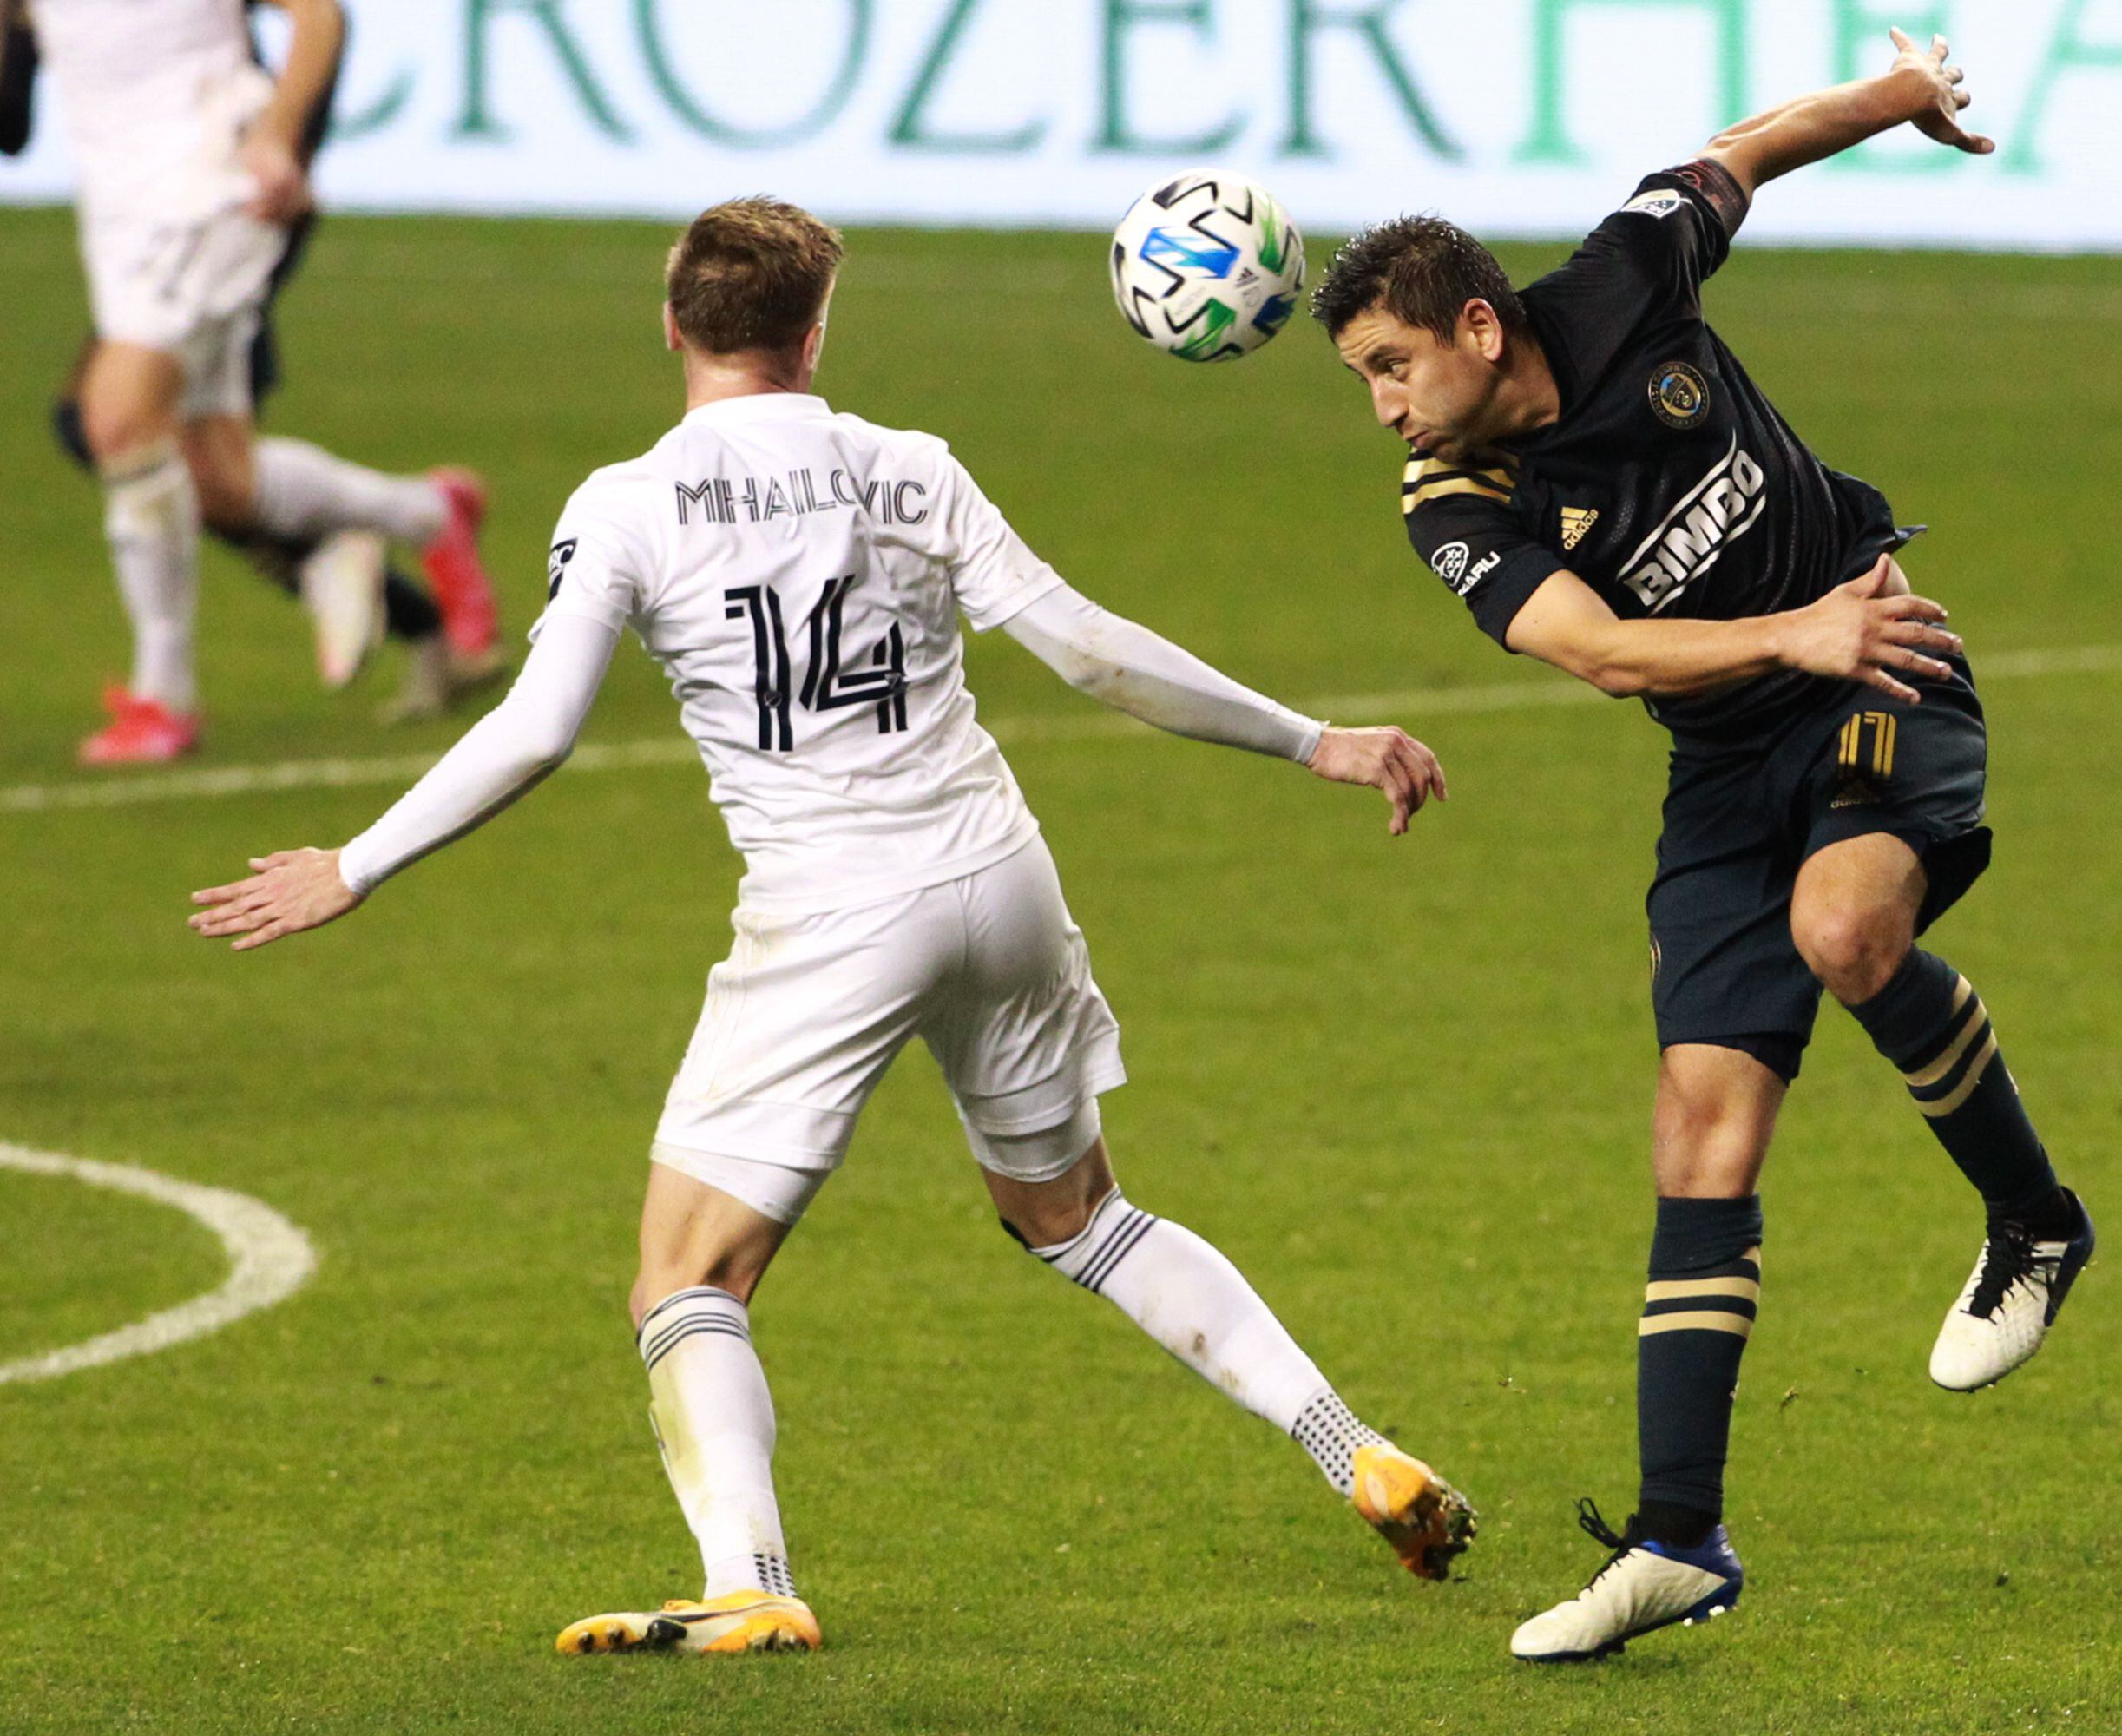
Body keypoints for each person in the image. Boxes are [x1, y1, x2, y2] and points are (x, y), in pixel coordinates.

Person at [189, 197, 1470, 1655]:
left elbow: (536, 733)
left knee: (688, 1275)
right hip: (998, 878)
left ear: (672, 324)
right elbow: (1090, 651)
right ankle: (1347, 1442)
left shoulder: (627, 504)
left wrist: (357, 863)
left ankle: (747, 1576)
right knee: (1082, 1216)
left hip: (831, 911)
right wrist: (1313, 741)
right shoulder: (906, 469)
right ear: (815, 338)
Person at [1311, 30, 2095, 1661]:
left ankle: (2035, 1221)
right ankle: (1680, 1538)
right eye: (1363, 385)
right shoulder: (1452, 498)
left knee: (1845, 929)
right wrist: (1779, 639)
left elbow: (1742, 148)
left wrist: (1902, 97)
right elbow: (1596, 649)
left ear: (1477, 323)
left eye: (1393, 368)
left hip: (1880, 649)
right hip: (1735, 747)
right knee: (1699, 1132)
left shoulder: (1620, 279)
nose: (1385, 411)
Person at [14, 0, 498, 765]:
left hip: (213, 182)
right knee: (219, 481)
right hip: (119, 204)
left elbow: (319, 17)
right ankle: (430, 512)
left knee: (113, 421)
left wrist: (277, 137)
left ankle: (163, 698)